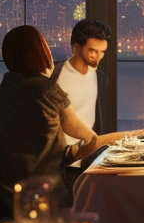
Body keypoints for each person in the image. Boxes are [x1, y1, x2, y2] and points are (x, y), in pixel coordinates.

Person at [0, 25, 102, 216]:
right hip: (44, 197)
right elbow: (89, 137)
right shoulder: (47, 91)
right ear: (41, 53)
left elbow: (32, 152)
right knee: (100, 198)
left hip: (1, 199)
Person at [52, 19, 127, 148]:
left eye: (102, 51)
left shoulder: (100, 79)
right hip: (56, 155)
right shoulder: (53, 75)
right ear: (76, 47)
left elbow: (99, 122)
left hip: (86, 154)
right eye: (92, 51)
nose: (98, 56)